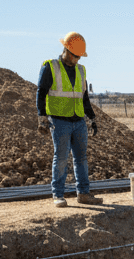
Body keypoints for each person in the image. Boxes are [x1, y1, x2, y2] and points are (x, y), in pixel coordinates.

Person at [37, 32, 100, 207]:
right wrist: (41, 116)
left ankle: (84, 194)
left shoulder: (81, 70)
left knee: (81, 158)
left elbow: (84, 96)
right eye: (74, 55)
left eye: (79, 56)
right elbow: (41, 92)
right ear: (65, 50)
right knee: (62, 158)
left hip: (78, 120)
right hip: (59, 121)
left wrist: (91, 118)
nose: (76, 60)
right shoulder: (51, 66)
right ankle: (58, 195)